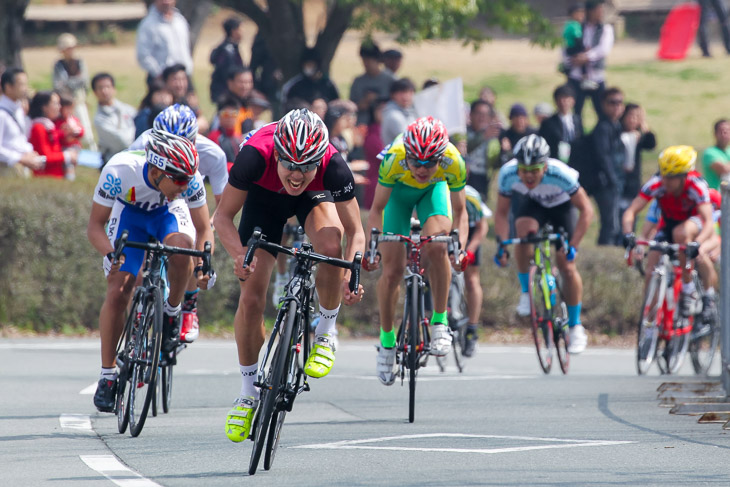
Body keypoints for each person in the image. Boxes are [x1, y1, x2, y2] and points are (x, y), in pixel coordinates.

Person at [213, 109, 364, 442]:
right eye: (291, 166)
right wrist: (240, 256)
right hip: (263, 201)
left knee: (329, 244)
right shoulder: (254, 156)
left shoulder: (333, 166)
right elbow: (221, 218)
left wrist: (352, 275)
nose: (297, 176)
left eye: (307, 166)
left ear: (319, 160)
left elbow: (356, 231)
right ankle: (247, 391)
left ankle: (325, 331)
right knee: (251, 298)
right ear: (277, 154)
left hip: (314, 199)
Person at [87, 129, 215, 413]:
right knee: (119, 290)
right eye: (179, 179)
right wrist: (110, 253)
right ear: (157, 170)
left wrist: (206, 262)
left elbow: (204, 229)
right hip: (129, 216)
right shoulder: (119, 170)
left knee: (184, 249)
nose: (186, 183)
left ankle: (172, 312)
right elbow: (95, 226)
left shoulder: (187, 181)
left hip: (167, 216)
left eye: (189, 177)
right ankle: (107, 376)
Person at [365, 116, 468, 384]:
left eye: (430, 162)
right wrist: (372, 247)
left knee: (437, 245)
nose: (422, 169)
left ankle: (439, 321)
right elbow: (376, 209)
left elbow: (460, 211)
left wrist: (460, 250)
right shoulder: (393, 158)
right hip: (397, 197)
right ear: (406, 154)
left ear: (440, 157)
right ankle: (387, 342)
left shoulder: (453, 161)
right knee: (393, 269)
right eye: (416, 162)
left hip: (432, 194)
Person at [129, 105, 227, 342]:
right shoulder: (141, 144)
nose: (173, 149)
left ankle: (189, 305)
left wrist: (209, 227)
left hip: (189, 200)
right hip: (152, 197)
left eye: (182, 142)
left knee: (191, 241)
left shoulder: (213, 155)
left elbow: (222, 206)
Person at [493, 134, 593, 354]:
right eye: (524, 170)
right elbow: (501, 213)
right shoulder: (508, 174)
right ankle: (526, 292)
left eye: (534, 170)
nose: (528, 175)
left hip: (562, 207)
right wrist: (501, 243)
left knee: (566, 265)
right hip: (533, 205)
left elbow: (586, 210)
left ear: (545, 166)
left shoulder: (560, 174)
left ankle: (576, 327)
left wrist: (573, 245)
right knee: (522, 233)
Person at [622, 146, 717, 318]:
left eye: (671, 178)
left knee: (681, 234)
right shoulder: (657, 183)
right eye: (664, 175)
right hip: (669, 224)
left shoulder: (696, 185)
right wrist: (629, 234)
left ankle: (689, 289)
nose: (666, 181)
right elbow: (631, 211)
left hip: (695, 223)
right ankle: (649, 323)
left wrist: (698, 242)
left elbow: (709, 221)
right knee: (651, 266)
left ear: (684, 176)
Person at [589, 87, 625, 245]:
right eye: (612, 103)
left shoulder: (615, 125)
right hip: (605, 183)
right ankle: (605, 251)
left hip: (613, 180)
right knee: (609, 224)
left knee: (614, 223)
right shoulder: (603, 127)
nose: (616, 106)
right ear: (603, 105)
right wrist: (613, 179)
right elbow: (603, 156)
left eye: (620, 102)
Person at [567, 0, 614, 119]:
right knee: (576, 112)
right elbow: (567, 44)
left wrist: (586, 57)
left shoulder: (605, 28)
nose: (600, 12)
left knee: (602, 110)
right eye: (598, 9)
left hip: (596, 76)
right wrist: (573, 58)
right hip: (577, 76)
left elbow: (603, 48)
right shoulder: (578, 27)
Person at [461, 185, 491, 357]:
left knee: (471, 279)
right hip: (444, 228)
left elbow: (482, 227)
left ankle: (472, 327)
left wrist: (470, 250)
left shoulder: (471, 195)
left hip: (471, 230)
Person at [52, 33, 96, 151]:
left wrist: (68, 83)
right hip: (65, 101)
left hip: (78, 99)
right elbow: (58, 84)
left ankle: (91, 148)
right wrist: (72, 82)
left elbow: (84, 80)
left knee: (84, 123)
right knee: (67, 126)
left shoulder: (79, 62)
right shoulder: (59, 65)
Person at [136, 0, 193, 85]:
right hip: (161, 79)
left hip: (183, 78)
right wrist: (159, 74)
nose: (166, 2)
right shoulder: (148, 24)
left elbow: (185, 49)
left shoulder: (180, 21)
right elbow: (143, 55)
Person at [0, 67, 43, 176]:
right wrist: (21, 158)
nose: (25, 88)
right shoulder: (2, 114)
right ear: (8, 87)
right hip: (7, 169)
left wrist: (29, 153)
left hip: (22, 167)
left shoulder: (19, 110)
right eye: (21, 84)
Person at [28, 91, 78, 179]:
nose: (59, 107)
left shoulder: (49, 125)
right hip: (46, 177)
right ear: (44, 107)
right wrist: (67, 155)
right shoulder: (39, 127)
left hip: (56, 177)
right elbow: (45, 156)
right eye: (55, 104)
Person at [619, 103, 656, 221]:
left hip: (633, 182)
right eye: (630, 116)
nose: (633, 120)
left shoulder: (638, 136)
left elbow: (651, 144)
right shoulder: (617, 134)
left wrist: (645, 127)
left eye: (637, 117)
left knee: (632, 216)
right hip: (619, 181)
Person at [92, 73, 137, 166]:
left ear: (114, 89)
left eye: (108, 86)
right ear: (95, 92)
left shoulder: (127, 109)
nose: (105, 91)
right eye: (100, 88)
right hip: (114, 162)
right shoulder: (99, 120)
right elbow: (123, 142)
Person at [350, 41, 394, 126]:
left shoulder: (390, 80)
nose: (366, 64)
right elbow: (352, 107)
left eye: (369, 60)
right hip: (363, 125)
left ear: (378, 60)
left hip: (385, 124)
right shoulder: (358, 82)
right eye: (364, 60)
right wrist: (364, 102)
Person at [464, 100, 501, 199]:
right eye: (478, 113)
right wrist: (483, 136)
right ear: (471, 115)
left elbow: (498, 162)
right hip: (465, 178)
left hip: (483, 180)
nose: (482, 118)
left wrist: (506, 151)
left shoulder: (495, 137)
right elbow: (464, 148)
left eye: (485, 114)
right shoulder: (463, 132)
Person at [539, 84, 583, 162]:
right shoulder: (548, 123)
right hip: (556, 160)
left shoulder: (577, 120)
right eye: (560, 99)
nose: (563, 102)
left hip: (576, 159)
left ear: (573, 101)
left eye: (566, 99)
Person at [209, 16, 245, 103]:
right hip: (225, 93)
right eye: (240, 29)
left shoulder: (232, 48)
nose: (243, 32)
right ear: (234, 31)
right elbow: (228, 73)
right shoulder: (227, 50)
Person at [207, 96, 244, 165]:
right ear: (218, 115)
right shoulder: (214, 136)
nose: (230, 118)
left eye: (234, 114)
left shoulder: (239, 137)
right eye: (226, 114)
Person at [380, 77, 417, 146]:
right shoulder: (392, 115)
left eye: (410, 92)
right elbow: (409, 139)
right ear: (393, 95)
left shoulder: (411, 112)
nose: (406, 96)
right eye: (402, 92)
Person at [561, 5, 588, 83]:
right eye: (580, 14)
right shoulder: (575, 25)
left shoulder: (568, 24)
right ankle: (584, 76)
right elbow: (578, 38)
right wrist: (584, 48)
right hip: (573, 46)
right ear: (573, 14)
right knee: (583, 59)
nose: (582, 16)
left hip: (568, 47)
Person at [701, 119, 730, 190]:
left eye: (727, 131)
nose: (724, 134)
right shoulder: (709, 152)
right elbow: (724, 169)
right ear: (715, 134)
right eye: (721, 131)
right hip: (715, 197)